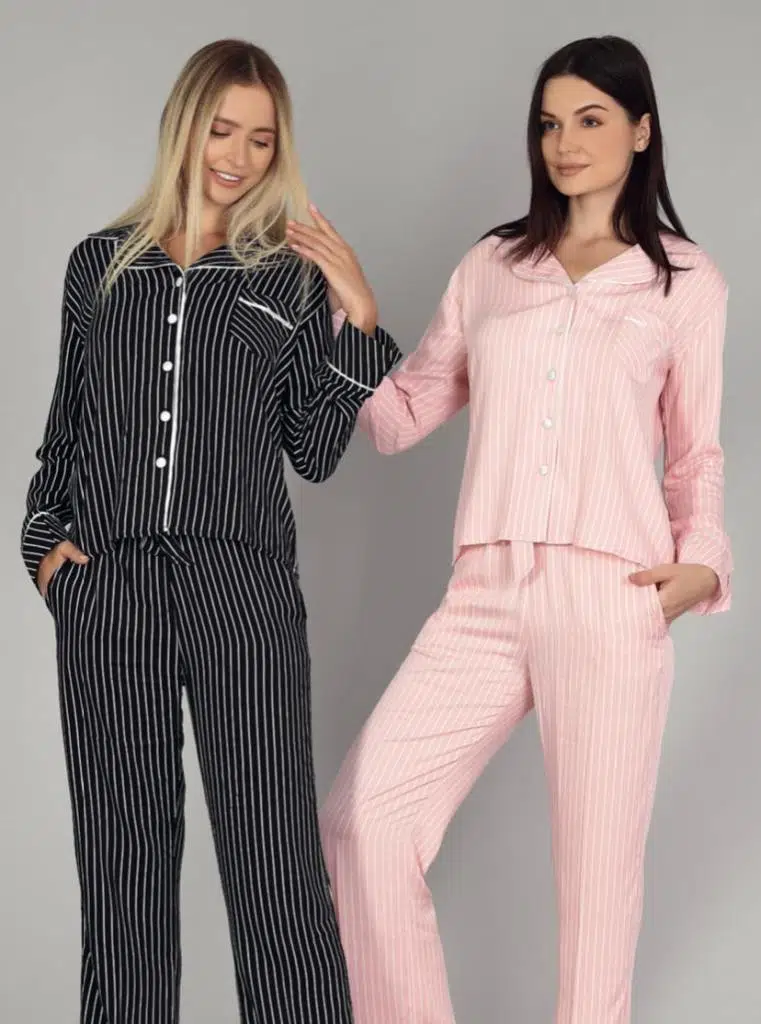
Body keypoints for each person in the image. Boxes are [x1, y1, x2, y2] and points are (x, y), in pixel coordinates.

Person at [290, 34, 732, 1024]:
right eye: (548, 123)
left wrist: (700, 565)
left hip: (609, 597)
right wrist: (357, 317)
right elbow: (399, 419)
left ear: (640, 130)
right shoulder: (492, 265)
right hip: (483, 593)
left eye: (589, 120)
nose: (563, 143)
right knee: (362, 820)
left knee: (596, 890)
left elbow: (695, 454)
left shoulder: (683, 282)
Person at [21, 38, 401, 1024]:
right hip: (109, 591)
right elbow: (67, 434)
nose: (236, 155)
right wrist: (46, 552)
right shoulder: (99, 267)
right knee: (123, 876)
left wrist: (359, 324)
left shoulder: (287, 278)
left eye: (259, 140)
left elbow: (312, 451)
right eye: (221, 130)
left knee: (274, 863)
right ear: (183, 127)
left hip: (242, 589)